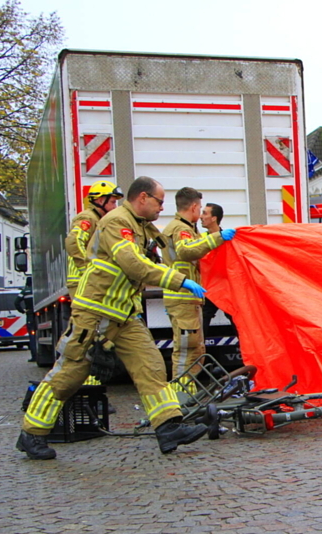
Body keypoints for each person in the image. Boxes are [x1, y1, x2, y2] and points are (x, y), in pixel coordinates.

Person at [17, 176, 209, 460]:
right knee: (70, 374)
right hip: (94, 312)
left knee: (151, 365)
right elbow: (133, 264)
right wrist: (178, 280)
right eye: (159, 201)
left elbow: (167, 249)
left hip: (124, 315)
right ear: (142, 198)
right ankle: (32, 433)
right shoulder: (117, 222)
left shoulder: (140, 225)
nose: (162, 207)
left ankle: (168, 427)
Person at [162, 190, 236, 386]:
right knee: (187, 349)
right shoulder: (181, 229)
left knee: (195, 349)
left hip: (188, 296)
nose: (201, 214)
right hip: (183, 296)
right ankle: (181, 393)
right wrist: (216, 238)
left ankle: (188, 390)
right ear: (194, 207)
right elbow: (186, 251)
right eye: (200, 210)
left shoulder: (186, 228)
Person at [67, 181, 123, 299]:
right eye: (113, 202)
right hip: (82, 280)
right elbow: (73, 242)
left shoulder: (100, 219)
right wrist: (87, 269)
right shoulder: (87, 218)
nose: (115, 207)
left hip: (93, 281)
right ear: (100, 200)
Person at [199, 202, 236, 334]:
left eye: (205, 213)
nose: (200, 216)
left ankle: (249, 353)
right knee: (201, 325)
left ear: (214, 218)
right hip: (207, 289)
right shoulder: (201, 238)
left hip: (225, 289)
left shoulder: (229, 238)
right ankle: (199, 353)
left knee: (237, 323)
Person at [14, 277, 36, 363]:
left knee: (32, 335)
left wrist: (22, 311)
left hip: (30, 314)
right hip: (39, 313)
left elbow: (16, 302)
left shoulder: (24, 291)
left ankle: (34, 356)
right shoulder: (37, 290)